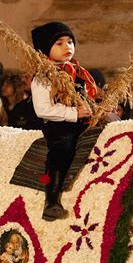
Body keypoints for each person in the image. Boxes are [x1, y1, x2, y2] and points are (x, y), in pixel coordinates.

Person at [31, 21, 97, 221]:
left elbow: (86, 98)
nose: (67, 47)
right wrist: (74, 114)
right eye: (59, 43)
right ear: (46, 49)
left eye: (70, 42)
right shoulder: (43, 76)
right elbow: (42, 109)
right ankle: (52, 200)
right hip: (59, 126)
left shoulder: (78, 73)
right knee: (62, 150)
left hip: (82, 122)